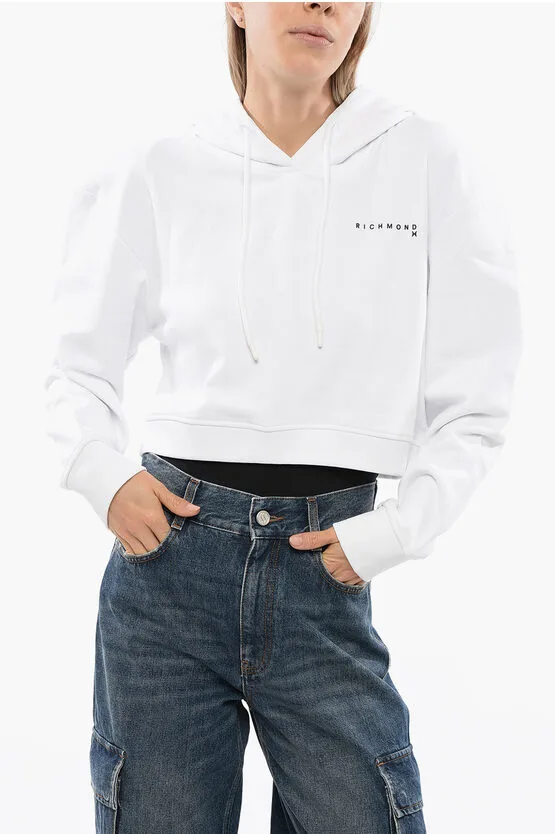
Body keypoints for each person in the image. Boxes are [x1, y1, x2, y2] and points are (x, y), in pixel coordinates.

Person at [44, 3, 522, 832]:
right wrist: (101, 474)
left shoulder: (425, 159)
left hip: (324, 565)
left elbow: (478, 388)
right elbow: (77, 364)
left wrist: (399, 530)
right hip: (166, 569)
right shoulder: (161, 163)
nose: (321, 2)